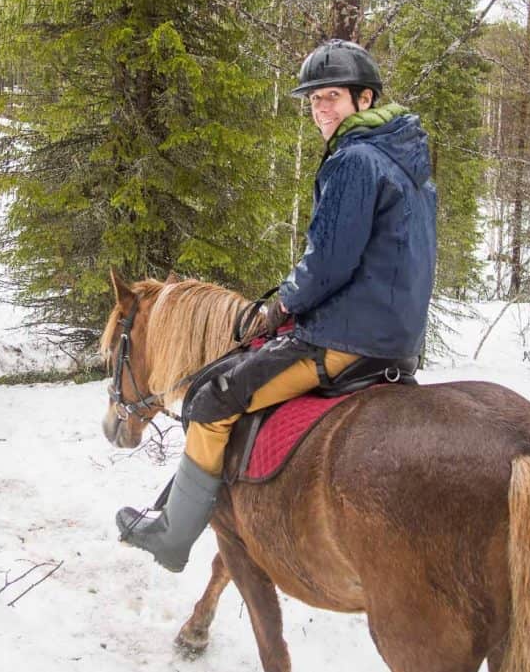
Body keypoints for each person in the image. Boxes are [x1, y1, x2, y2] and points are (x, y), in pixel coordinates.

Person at [116, 39, 438, 572]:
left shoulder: (355, 159)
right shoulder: (406, 162)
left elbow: (330, 260)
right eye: (314, 101)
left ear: (365, 98)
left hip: (346, 338)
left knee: (213, 399)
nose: (320, 111)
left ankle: (173, 536)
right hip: (397, 341)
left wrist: (284, 303)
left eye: (331, 97)